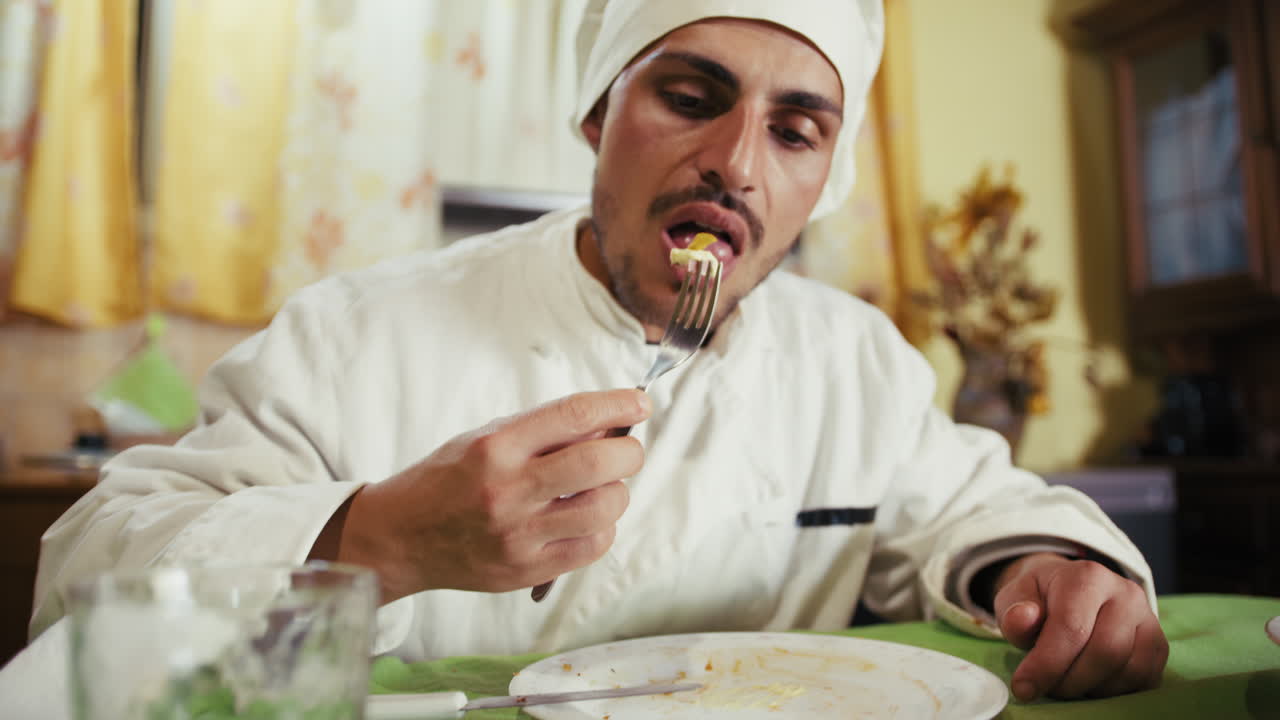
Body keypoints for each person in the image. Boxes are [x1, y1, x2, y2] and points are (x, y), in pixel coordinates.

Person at [30, 0, 1167, 703]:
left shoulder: (853, 362)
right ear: (594, 114)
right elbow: (86, 587)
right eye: (689, 96)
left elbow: (976, 511)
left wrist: (1046, 572)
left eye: (794, 129)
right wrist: (375, 538)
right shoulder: (354, 333)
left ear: (824, 178)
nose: (736, 162)